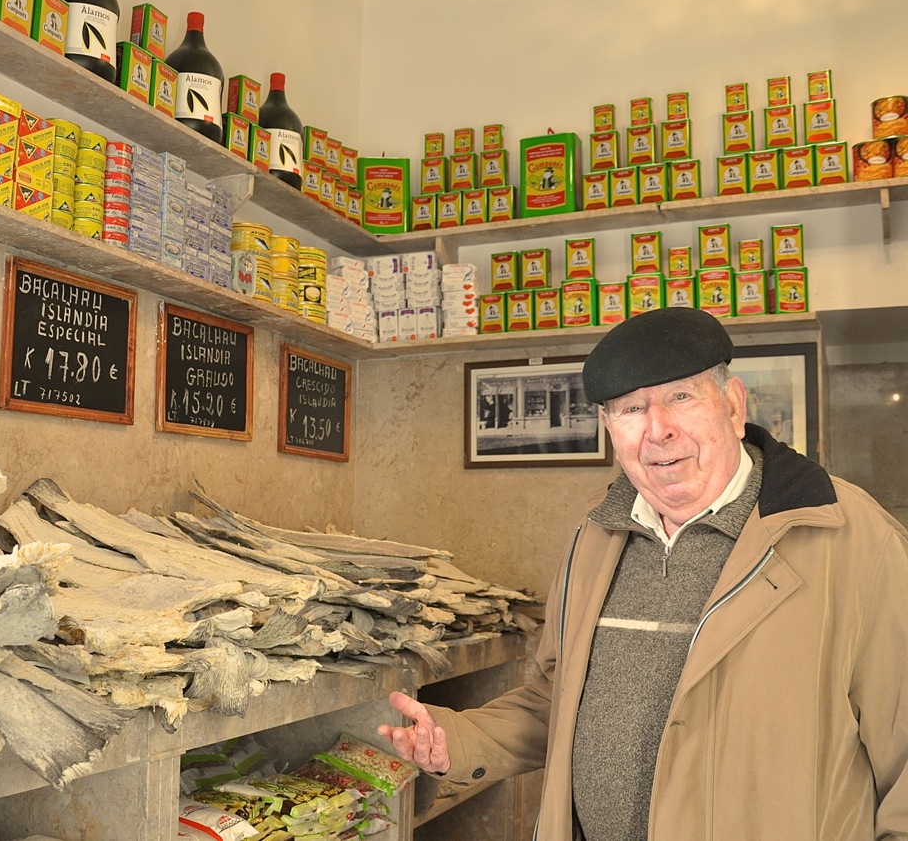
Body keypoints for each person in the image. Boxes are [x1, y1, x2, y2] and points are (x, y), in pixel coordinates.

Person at [378, 306, 908, 841]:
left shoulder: (849, 536)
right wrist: (460, 738)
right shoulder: (596, 536)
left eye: (681, 397)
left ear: (732, 404)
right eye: (631, 409)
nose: (659, 431)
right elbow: (557, 698)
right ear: (611, 428)